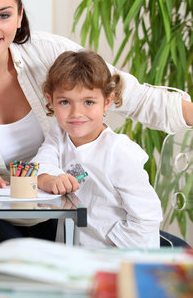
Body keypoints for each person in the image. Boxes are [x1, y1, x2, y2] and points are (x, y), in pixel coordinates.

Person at [0, 0, 193, 245]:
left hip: (54, 217)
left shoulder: (49, 53)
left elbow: (133, 96)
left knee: (179, 255)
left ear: (19, 16)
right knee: (25, 269)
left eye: (3, 15)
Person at [33, 50, 162, 248]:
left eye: (89, 102)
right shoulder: (59, 133)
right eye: (65, 102)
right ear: (51, 100)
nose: (76, 113)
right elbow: (39, 167)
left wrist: (116, 255)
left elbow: (147, 217)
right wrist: (51, 180)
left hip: (117, 255)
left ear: (107, 102)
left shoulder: (119, 152)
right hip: (74, 252)